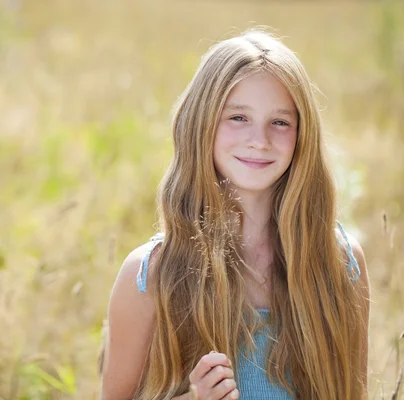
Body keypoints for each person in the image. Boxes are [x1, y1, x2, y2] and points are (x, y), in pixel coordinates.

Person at [99, 28, 370, 400]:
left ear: (302, 135)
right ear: (201, 124)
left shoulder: (339, 263)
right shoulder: (150, 276)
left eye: (280, 122)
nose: (260, 140)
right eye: (238, 117)